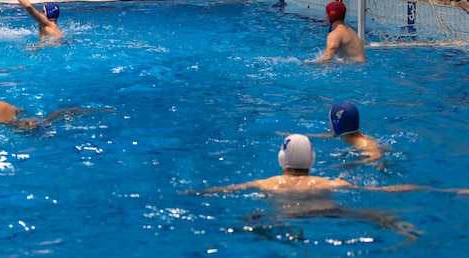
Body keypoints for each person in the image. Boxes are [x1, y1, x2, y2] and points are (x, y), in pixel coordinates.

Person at [189, 134, 468, 195]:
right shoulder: (331, 183)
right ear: (312, 160)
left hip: (281, 216)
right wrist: (446, 191)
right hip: (327, 212)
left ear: (281, 159)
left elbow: (223, 190)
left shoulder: (266, 184)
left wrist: (193, 193)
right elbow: (391, 190)